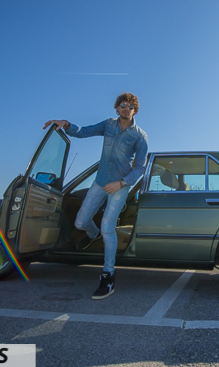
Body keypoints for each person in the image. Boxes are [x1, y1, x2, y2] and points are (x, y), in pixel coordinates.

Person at [43, 92, 148, 299]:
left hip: (120, 185)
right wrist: (66, 124)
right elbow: (83, 131)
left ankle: (108, 276)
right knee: (81, 222)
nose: (126, 108)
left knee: (108, 226)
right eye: (122, 105)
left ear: (135, 110)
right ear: (117, 108)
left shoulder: (140, 136)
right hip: (99, 182)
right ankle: (94, 236)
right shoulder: (108, 125)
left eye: (130, 106)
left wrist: (121, 182)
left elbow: (140, 168)